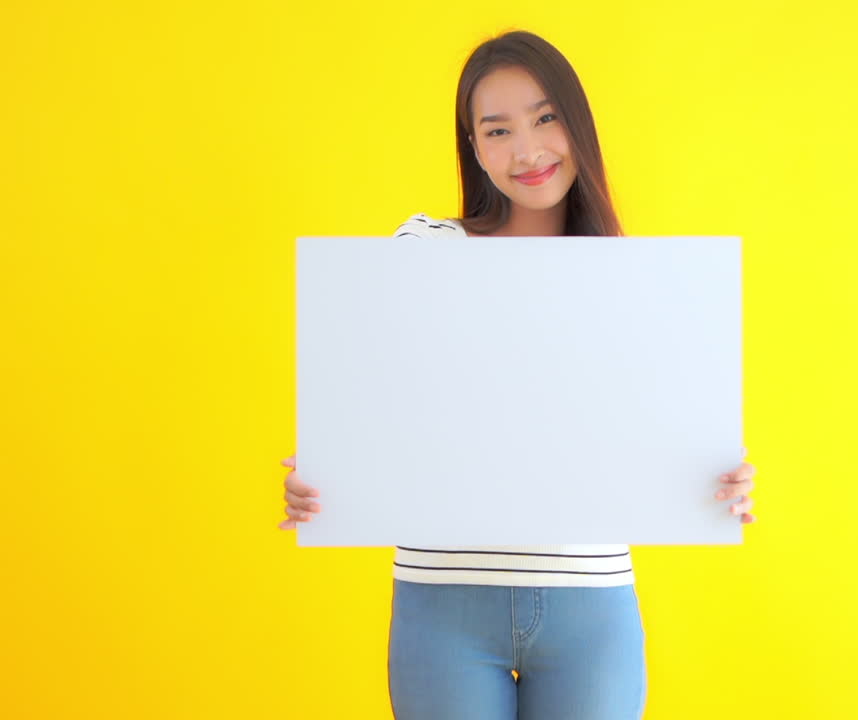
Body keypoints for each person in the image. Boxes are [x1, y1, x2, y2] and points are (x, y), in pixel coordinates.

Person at [277, 29, 758, 720]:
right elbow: (376, 403)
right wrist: (326, 477)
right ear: (472, 146)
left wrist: (718, 479)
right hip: (443, 601)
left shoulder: (629, 274)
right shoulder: (424, 250)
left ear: (576, 124)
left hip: (590, 605)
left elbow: (650, 432)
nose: (527, 151)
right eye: (496, 130)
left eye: (544, 118)